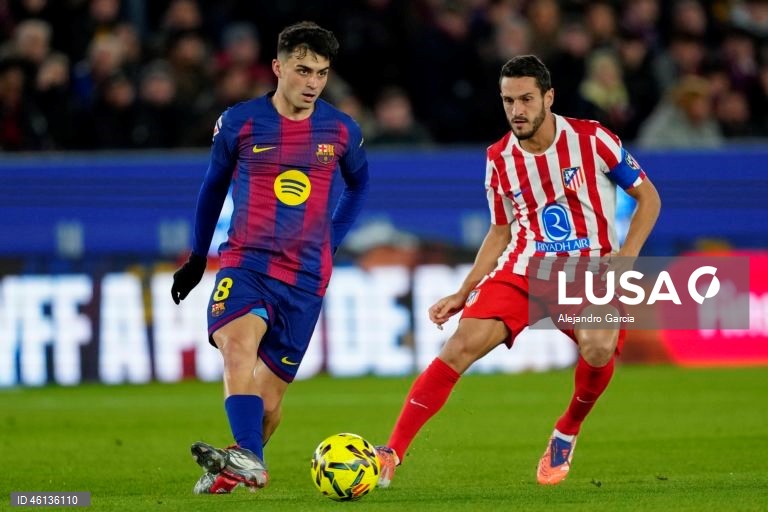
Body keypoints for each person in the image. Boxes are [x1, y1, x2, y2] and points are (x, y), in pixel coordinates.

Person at [375, 55, 660, 487]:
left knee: (599, 349)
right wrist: (464, 291)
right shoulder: (499, 158)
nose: (517, 111)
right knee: (459, 346)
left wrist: (628, 256)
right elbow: (499, 231)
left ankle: (567, 429)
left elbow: (649, 199)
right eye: (509, 101)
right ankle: (391, 452)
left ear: (548, 97)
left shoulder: (592, 139)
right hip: (525, 269)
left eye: (526, 99)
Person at [170, 21, 369, 494]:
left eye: (321, 73)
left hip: (306, 279)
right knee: (236, 349)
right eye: (303, 70)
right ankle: (251, 460)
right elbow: (212, 186)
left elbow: (360, 185)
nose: (312, 83)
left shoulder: (341, 130)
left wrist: (332, 237)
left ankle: (233, 471)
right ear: (278, 68)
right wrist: (199, 257)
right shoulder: (240, 122)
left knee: (270, 398)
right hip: (247, 263)